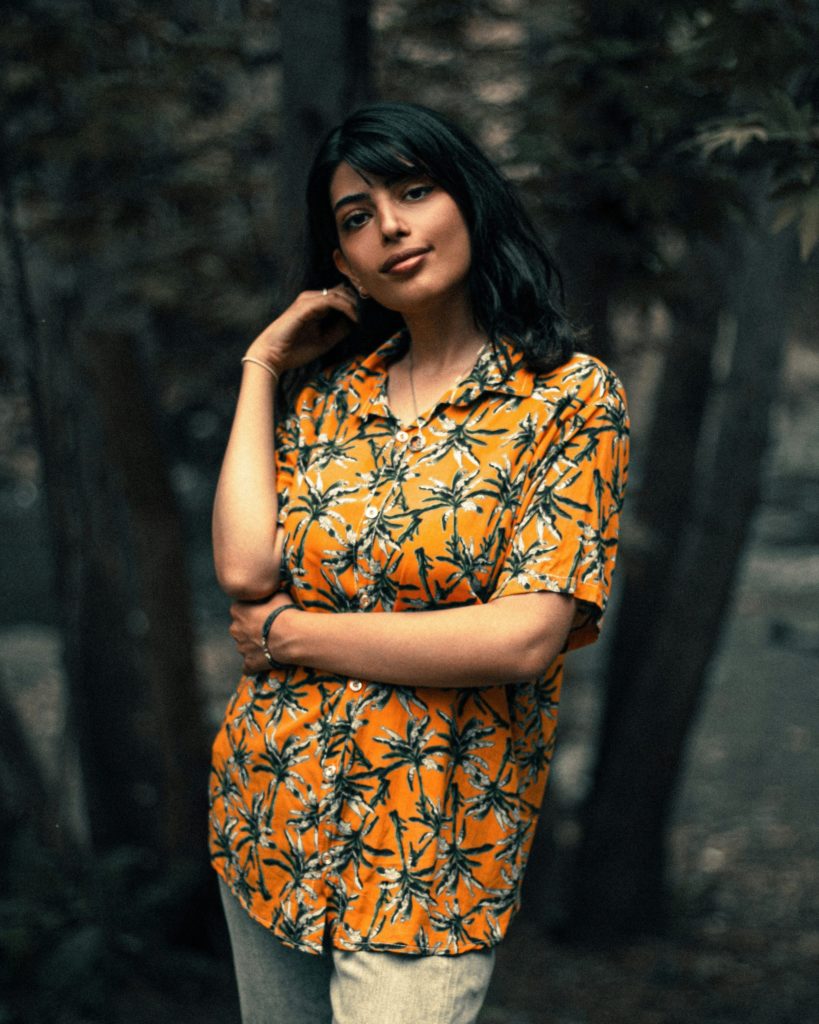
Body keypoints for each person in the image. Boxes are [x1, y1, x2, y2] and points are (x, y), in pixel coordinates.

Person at [209, 102, 629, 1024]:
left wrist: (293, 634)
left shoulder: (565, 398)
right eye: (355, 216)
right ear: (341, 260)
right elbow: (245, 573)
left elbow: (523, 637)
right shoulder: (328, 399)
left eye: (413, 190)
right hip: (269, 818)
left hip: (429, 858)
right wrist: (262, 364)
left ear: (467, 201)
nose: (390, 225)